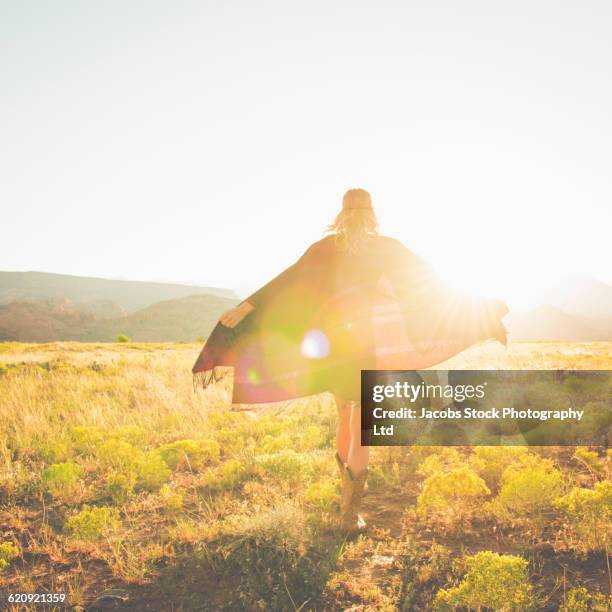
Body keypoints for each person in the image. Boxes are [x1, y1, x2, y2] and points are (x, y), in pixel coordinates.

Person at [193, 188, 508, 532]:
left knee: (346, 416)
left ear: (341, 214)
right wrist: (481, 309)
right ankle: (348, 514)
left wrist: (245, 307)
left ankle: (344, 501)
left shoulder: (325, 248)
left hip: (335, 346)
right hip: (369, 344)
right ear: (372, 213)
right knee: (362, 424)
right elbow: (432, 281)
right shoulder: (388, 247)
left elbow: (287, 282)